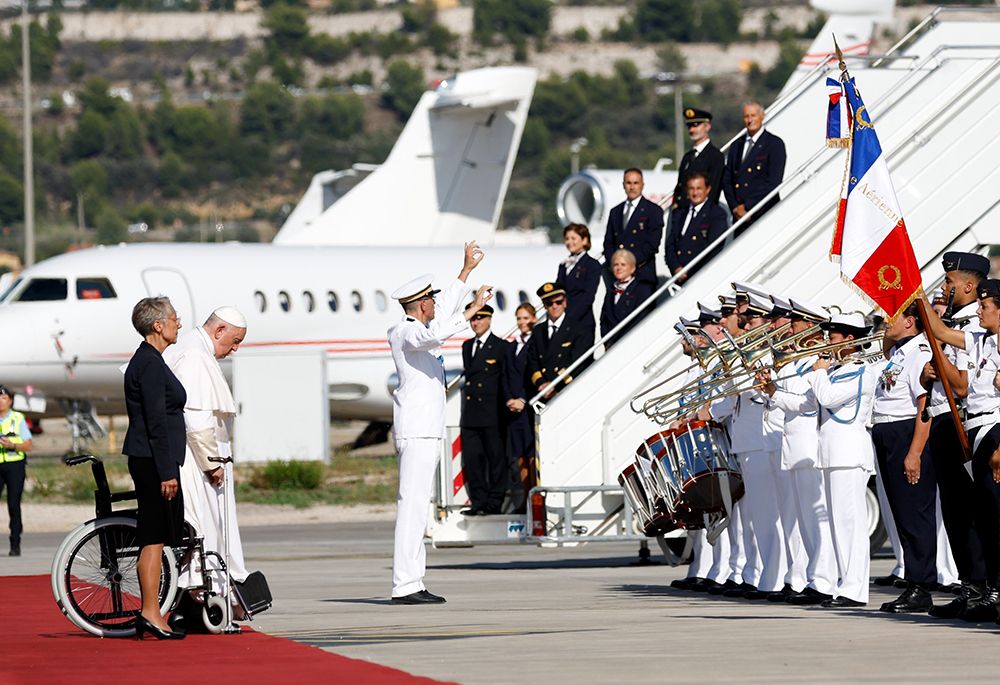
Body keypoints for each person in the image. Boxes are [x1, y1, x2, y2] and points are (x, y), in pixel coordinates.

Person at [387, 242, 493, 605]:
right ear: (420, 305)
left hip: (426, 430)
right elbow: (432, 333)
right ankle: (404, 585)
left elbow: (444, 311)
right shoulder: (404, 332)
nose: (434, 303)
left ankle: (413, 582)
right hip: (416, 432)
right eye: (429, 300)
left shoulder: (421, 323)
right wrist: (472, 311)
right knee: (412, 507)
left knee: (419, 508)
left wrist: (465, 272)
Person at [163, 306, 249, 633]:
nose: (235, 348)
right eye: (234, 341)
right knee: (206, 532)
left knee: (208, 533)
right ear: (219, 331)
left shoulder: (193, 348)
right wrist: (212, 464)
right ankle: (197, 606)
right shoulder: (196, 356)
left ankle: (193, 607)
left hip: (199, 458)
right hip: (198, 462)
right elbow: (197, 421)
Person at [921, 280, 1000, 623]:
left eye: (985, 306)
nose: (979, 310)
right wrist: (915, 295)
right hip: (975, 431)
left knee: (996, 516)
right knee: (985, 519)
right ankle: (993, 592)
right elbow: (938, 329)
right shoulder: (981, 339)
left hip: (994, 432)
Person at [760, 298, 838, 605]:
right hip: (792, 444)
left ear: (810, 327)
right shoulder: (795, 360)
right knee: (801, 520)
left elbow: (807, 404)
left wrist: (773, 393)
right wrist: (769, 391)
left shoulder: (813, 361)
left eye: (796, 322)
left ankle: (822, 580)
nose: (790, 326)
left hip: (808, 444)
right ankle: (808, 577)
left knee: (813, 518)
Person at [122, 297, 187, 640]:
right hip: (152, 461)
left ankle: (153, 612)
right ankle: (150, 612)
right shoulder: (148, 363)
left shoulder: (150, 360)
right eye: (175, 318)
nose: (180, 323)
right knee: (153, 539)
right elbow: (156, 422)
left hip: (153, 458)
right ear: (158, 326)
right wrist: (167, 472)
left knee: (157, 538)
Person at [871, 300, 938, 614]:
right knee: (901, 512)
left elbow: (924, 409)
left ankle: (921, 586)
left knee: (915, 513)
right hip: (886, 431)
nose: (886, 320)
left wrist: (914, 453)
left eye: (892, 316)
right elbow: (886, 345)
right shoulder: (899, 352)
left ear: (911, 322)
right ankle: (913, 581)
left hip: (904, 434)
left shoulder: (920, 354)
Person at [807, 313, 877, 607]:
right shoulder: (837, 370)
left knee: (851, 524)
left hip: (849, 453)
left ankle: (854, 590)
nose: (826, 343)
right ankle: (844, 585)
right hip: (833, 453)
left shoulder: (860, 370)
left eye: (832, 338)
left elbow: (828, 398)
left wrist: (819, 372)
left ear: (850, 340)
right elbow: (811, 402)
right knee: (839, 525)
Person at [460, 303, 510, 516]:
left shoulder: (501, 347)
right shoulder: (467, 346)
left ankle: (495, 502)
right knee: (473, 460)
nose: (476, 322)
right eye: (473, 319)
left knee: (496, 460)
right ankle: (478, 502)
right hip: (471, 414)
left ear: (489, 319)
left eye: (480, 318)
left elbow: (505, 380)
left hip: (493, 413)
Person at [722, 100, 786, 234]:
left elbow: (773, 181)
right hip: (740, 217)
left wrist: (748, 207)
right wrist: (735, 208)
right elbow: (727, 180)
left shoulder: (774, 144)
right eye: (746, 116)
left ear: (762, 116)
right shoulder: (736, 146)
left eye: (753, 115)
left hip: (763, 213)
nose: (750, 120)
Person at [525, 283, 591, 401]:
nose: (554, 306)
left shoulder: (578, 329)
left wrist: (554, 385)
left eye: (558, 302)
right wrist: (541, 384)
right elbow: (532, 361)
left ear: (565, 303)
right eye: (549, 303)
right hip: (543, 391)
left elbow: (578, 362)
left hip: (565, 389)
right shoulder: (539, 330)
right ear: (544, 306)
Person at [603, 168, 664, 286]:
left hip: (642, 276)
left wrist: (629, 265)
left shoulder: (653, 211)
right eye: (628, 183)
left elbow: (652, 245)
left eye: (636, 183)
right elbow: (608, 242)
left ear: (642, 185)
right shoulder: (615, 212)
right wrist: (616, 264)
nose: (632, 187)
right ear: (623, 185)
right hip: (618, 277)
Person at [665, 172, 729, 283]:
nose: (695, 193)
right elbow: (670, 244)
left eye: (699, 188)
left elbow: (713, 248)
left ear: (708, 189)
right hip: (679, 276)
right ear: (686, 190)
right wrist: (676, 268)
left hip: (701, 277)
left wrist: (688, 271)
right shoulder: (680, 214)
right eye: (691, 188)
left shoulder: (716, 214)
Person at [504, 303, 537, 513]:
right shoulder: (512, 345)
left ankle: (536, 497)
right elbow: (506, 375)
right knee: (520, 455)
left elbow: (532, 374)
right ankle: (526, 497)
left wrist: (523, 400)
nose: (522, 323)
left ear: (533, 319)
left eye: (525, 318)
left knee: (532, 453)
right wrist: (509, 399)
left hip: (528, 406)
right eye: (519, 319)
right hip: (514, 408)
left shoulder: (536, 343)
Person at [556, 224, 601, 347]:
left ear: (584, 240)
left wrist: (569, 319)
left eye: (573, 238)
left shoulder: (592, 265)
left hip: (581, 321)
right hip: (564, 321)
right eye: (567, 239)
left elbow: (588, 297)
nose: (569, 242)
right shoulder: (563, 265)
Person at [671, 107, 725, 211]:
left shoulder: (715, 156)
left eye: (696, 125)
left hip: (701, 214)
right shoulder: (687, 157)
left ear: (707, 127)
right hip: (683, 213)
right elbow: (680, 188)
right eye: (689, 126)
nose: (692, 130)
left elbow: (713, 191)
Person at [0, 385, 31, 557]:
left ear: (10, 400)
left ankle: (15, 543)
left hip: (14, 466)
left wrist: (12, 445)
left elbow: (29, 445)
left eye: (4, 398)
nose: (0, 401)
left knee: (13, 505)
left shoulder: (18, 418)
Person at [600, 249, 654, 349]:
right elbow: (604, 320)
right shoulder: (611, 291)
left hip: (632, 343)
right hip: (612, 345)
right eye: (616, 265)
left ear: (632, 268)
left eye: (623, 264)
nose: (619, 268)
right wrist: (608, 342)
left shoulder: (642, 290)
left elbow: (641, 318)